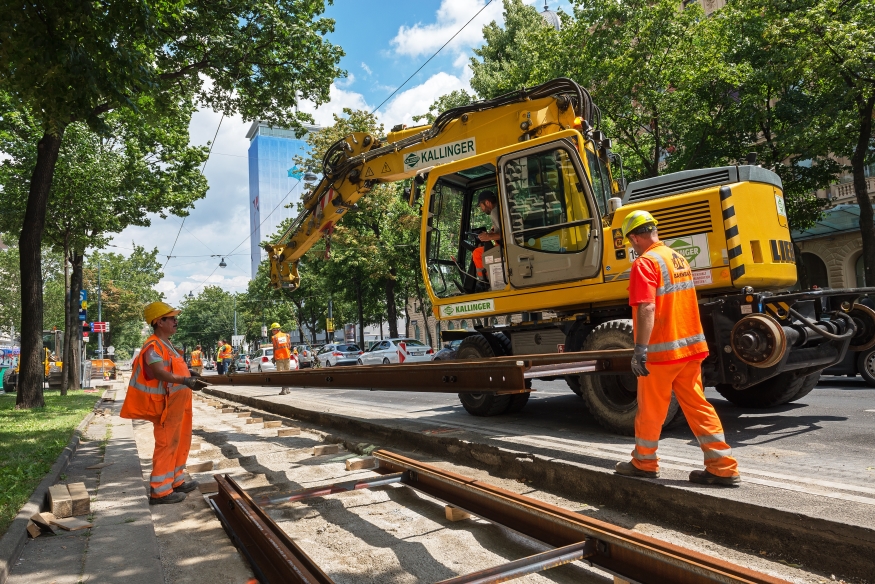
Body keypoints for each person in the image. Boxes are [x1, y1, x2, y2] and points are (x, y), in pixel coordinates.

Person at [615, 210, 741, 486]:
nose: (632, 246)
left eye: (631, 241)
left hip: (662, 351)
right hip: (690, 348)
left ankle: (644, 463)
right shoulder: (677, 258)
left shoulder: (644, 263)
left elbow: (647, 306)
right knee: (698, 406)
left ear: (634, 237)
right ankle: (723, 467)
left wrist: (639, 350)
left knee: (650, 410)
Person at [120, 302, 208, 504]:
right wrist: (185, 380)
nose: (176, 321)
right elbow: (158, 372)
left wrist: (188, 373)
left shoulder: (168, 344)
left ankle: (176, 481)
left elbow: (172, 369)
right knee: (167, 444)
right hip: (166, 406)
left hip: (179, 404)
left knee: (180, 442)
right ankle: (160, 492)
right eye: (172, 318)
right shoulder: (153, 346)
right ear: (160, 322)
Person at [270, 323, 292, 395]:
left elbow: (274, 348)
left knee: (281, 374)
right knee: (287, 373)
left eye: (272, 330)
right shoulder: (287, 335)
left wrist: (274, 357)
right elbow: (289, 346)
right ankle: (288, 389)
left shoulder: (274, 337)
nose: (272, 332)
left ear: (275, 330)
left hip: (279, 357)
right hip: (287, 356)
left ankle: (284, 390)